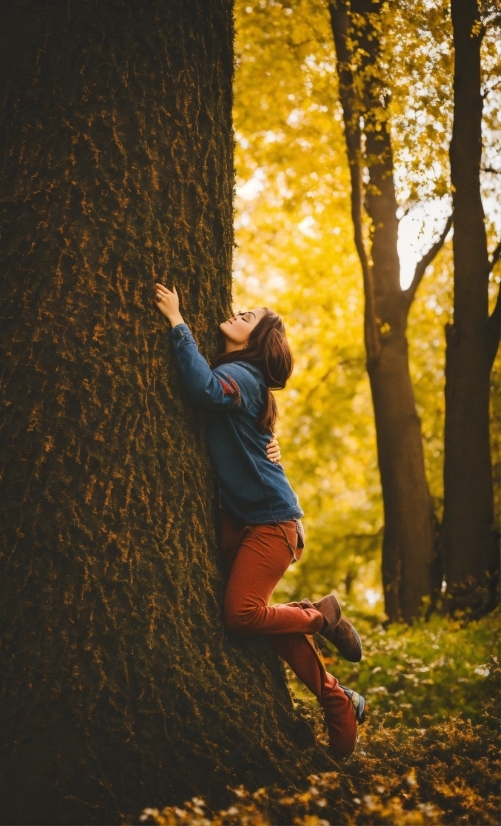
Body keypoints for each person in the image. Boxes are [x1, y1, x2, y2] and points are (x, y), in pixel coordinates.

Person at [153, 283, 366, 760]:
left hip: (270, 525)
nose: (238, 312)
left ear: (255, 341)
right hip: (254, 520)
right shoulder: (245, 378)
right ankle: (337, 699)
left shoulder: (242, 377)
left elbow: (204, 389)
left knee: (242, 616)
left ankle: (319, 616)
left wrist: (176, 322)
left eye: (249, 317)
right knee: (271, 625)